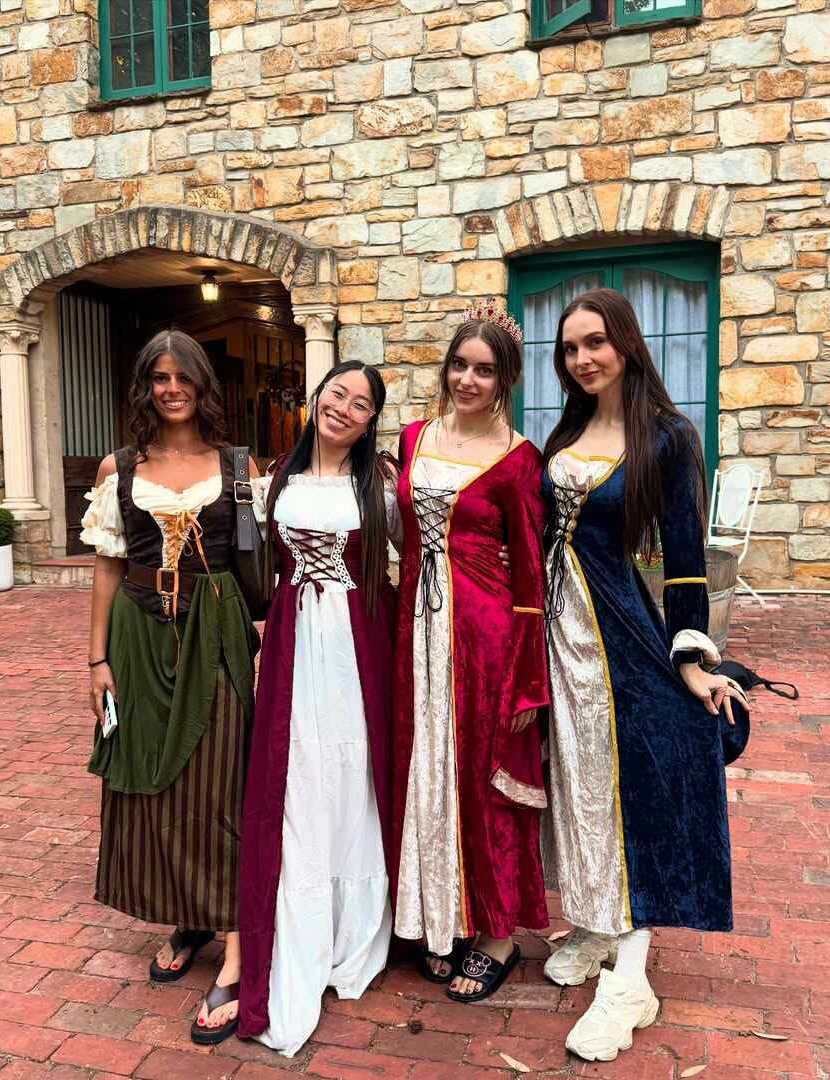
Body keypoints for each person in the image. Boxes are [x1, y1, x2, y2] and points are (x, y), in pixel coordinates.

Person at [538, 289, 748, 1062]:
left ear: (626, 342)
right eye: (569, 348)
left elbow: (686, 559)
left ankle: (631, 980)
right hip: (550, 633)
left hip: (617, 634)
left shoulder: (667, 437)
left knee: (636, 787)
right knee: (576, 781)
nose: (582, 358)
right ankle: (597, 922)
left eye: (594, 342)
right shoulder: (567, 429)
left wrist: (691, 659)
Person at [81, 329, 260, 1046]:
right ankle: (189, 916)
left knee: (222, 782)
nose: (172, 388)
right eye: (159, 377)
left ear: (203, 384)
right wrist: (96, 660)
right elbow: (105, 564)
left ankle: (238, 946)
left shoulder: (239, 465)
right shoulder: (120, 467)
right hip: (138, 634)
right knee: (155, 783)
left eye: (183, 376)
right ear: (146, 387)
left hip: (216, 633)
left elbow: (266, 559)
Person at [236, 362, 398, 1056]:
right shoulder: (276, 478)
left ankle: (354, 929)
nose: (344, 408)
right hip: (295, 642)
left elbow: (419, 559)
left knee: (353, 771)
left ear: (371, 421)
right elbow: (257, 566)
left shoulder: (380, 485)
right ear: (317, 397)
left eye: (361, 404)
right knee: (298, 773)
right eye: (338, 394)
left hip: (357, 644)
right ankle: (302, 921)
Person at [391, 302, 550, 1004]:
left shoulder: (518, 460)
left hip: (485, 639)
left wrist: (527, 679)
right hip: (415, 633)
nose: (468, 379)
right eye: (459, 364)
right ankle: (437, 917)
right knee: (423, 769)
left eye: (484, 370)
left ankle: (497, 935)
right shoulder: (413, 438)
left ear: (505, 379)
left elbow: (530, 577)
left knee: (482, 780)